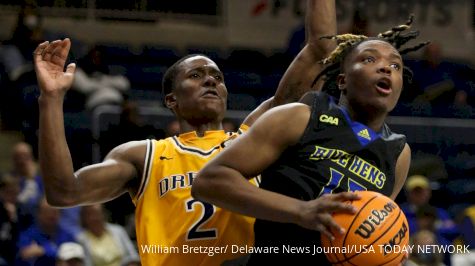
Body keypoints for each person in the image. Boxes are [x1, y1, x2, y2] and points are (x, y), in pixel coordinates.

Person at [33, 0, 337, 264]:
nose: (210, 81)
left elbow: (319, 53)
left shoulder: (253, 138)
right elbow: (63, 191)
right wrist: (51, 99)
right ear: (171, 100)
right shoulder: (145, 155)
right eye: (196, 75)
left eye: (217, 77)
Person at [192, 13, 429, 265]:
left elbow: (372, 226)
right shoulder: (300, 116)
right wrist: (300, 211)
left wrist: (386, 249)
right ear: (342, 80)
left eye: (396, 66)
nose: (385, 68)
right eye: (369, 59)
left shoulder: (399, 153)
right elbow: (209, 181)